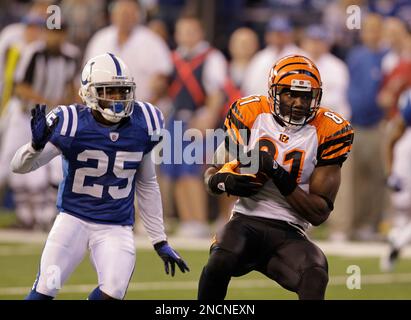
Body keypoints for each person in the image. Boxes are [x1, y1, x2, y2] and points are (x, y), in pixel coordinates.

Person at [10, 53, 189, 300]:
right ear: (88, 92)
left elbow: (147, 183)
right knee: (45, 289)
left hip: (115, 226)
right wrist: (35, 147)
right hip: (73, 220)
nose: (117, 99)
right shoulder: (71, 122)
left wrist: (159, 240)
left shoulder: (145, 122)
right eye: (109, 91)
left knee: (113, 291)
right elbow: (19, 167)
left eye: (122, 91)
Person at [198, 55, 354, 300]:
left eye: (305, 96)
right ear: (274, 92)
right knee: (220, 260)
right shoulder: (249, 112)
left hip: (290, 230)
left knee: (315, 273)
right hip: (245, 219)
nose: (299, 102)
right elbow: (211, 175)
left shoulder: (330, 130)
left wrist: (276, 172)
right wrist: (223, 181)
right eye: (291, 94)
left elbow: (318, 213)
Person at [380, 88, 411, 272]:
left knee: (403, 221)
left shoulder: (399, 136)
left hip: (400, 186)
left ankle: (395, 236)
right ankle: (397, 241)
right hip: (406, 185)